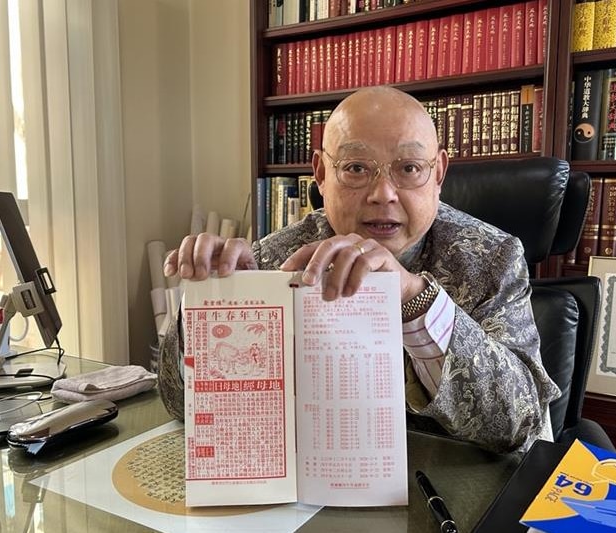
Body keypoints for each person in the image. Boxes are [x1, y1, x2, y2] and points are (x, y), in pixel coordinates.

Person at [159, 86, 560, 453]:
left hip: (448, 485)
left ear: (437, 174)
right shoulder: (279, 259)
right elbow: (181, 405)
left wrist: (413, 298)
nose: (382, 194)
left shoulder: (492, 258)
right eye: (355, 168)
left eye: (408, 168)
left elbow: (520, 423)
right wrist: (209, 306)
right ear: (320, 174)